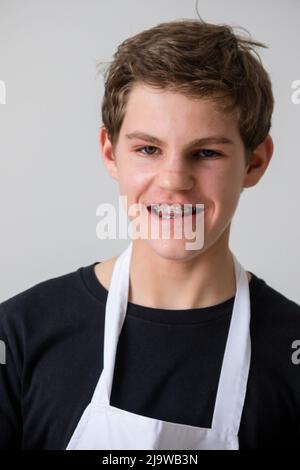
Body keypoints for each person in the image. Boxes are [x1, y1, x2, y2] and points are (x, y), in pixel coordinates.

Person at [0, 18, 300, 450]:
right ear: (110, 152)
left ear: (254, 163)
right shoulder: (21, 335)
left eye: (206, 152)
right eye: (148, 149)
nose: (175, 180)